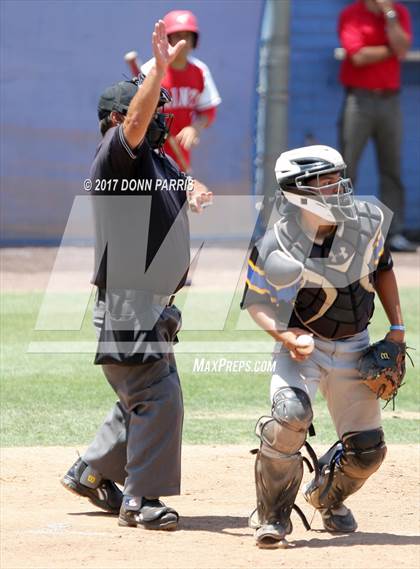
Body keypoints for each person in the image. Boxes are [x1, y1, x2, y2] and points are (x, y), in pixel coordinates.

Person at [61, 20, 212, 531]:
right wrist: (161, 71)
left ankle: (90, 470)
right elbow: (135, 125)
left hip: (151, 303)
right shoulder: (114, 157)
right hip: (128, 301)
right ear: (118, 119)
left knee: (145, 393)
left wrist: (191, 188)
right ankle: (141, 499)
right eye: (151, 112)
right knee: (156, 395)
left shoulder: (153, 160)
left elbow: (175, 172)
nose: (160, 120)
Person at [241, 145, 406, 548]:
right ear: (297, 192)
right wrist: (286, 337)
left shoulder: (367, 224)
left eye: (337, 178)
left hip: (356, 343)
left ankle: (324, 497)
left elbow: (384, 270)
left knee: (367, 453)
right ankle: (273, 516)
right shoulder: (275, 240)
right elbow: (256, 303)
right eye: (325, 181)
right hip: (302, 346)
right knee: (290, 416)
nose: (337, 187)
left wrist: (398, 330)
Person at [338, 0, 416, 252]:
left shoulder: (398, 13)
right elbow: (358, 56)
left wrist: (389, 16)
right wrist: (391, 50)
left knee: (391, 168)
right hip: (358, 100)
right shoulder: (352, 14)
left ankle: (393, 233)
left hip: (390, 100)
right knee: (346, 168)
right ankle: (342, 232)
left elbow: (402, 48)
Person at [141, 10, 221, 172]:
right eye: (177, 36)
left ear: (194, 41)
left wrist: (195, 128)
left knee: (180, 194)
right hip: (149, 152)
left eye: (188, 36)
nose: (183, 42)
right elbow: (136, 114)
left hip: (180, 155)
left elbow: (208, 111)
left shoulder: (200, 71)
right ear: (167, 39)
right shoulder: (151, 69)